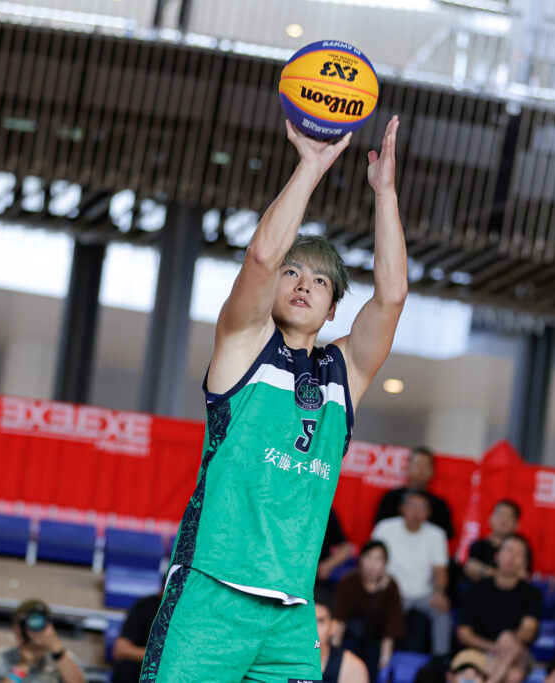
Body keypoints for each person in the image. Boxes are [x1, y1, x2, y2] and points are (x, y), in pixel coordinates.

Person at [140, 115, 408, 683]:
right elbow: (261, 258)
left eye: (320, 281)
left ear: (332, 310)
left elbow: (391, 297)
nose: (304, 283)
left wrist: (384, 194)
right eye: (294, 272)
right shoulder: (245, 344)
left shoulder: (342, 373)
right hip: (212, 592)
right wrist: (310, 166)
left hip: (290, 613)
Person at [370, 492, 451, 657]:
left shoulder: (436, 534)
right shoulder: (385, 528)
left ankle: (440, 660)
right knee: (380, 607)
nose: (416, 512)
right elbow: (372, 560)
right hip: (393, 589)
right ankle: (380, 656)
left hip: (425, 593)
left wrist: (439, 593)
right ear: (402, 509)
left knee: (443, 611)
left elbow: (440, 570)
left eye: (422, 508)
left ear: (428, 513)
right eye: (412, 506)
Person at [456, 534, 542, 683]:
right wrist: (493, 647)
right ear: (497, 556)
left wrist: (510, 637)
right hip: (481, 650)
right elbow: (464, 633)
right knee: (513, 675)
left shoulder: (532, 594)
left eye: (519, 553)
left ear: (525, 562)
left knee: (513, 646)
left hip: (517, 653)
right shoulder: (476, 590)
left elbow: (528, 630)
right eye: (508, 550)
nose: (512, 557)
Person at [331, 540, 404, 679]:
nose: (372, 564)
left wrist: (384, 660)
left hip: (375, 643)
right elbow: (339, 622)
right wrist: (334, 655)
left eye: (378, 559)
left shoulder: (391, 587)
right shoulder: (348, 582)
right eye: (368, 558)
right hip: (350, 640)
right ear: (361, 559)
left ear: (385, 563)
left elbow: (390, 629)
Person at [0, 599, 84, 683]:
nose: (31, 628)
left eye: (38, 621)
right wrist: (23, 666)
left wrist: (57, 652)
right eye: (24, 623)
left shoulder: (66, 659)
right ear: (15, 627)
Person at [372, 446, 454, 539]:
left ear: (433, 470)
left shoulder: (440, 505)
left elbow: (444, 536)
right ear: (408, 467)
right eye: (418, 464)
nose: (421, 470)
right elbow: (380, 527)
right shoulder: (391, 498)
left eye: (426, 466)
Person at [316, 587, 368, 683]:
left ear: (333, 626)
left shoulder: (352, 668)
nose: (314, 629)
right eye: (307, 621)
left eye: (320, 621)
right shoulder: (286, 661)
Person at [463, 500, 521, 581]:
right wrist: (502, 576)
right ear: (490, 519)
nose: (504, 519)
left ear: (517, 524)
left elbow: (522, 575)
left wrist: (484, 571)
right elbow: (471, 568)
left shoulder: (520, 548)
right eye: (500, 514)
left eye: (509, 516)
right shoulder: (478, 546)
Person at [113, 592, 163, 683]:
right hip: (139, 669)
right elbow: (120, 650)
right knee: (126, 667)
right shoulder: (145, 605)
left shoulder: (186, 615)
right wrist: (160, 657)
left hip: (167, 671)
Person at [317, 509, 354, 591]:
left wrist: (327, 565)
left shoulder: (325, 512)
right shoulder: (290, 511)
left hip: (319, 578)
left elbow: (346, 548)